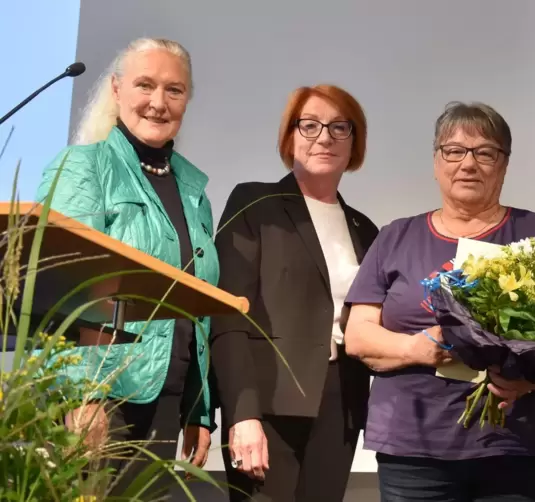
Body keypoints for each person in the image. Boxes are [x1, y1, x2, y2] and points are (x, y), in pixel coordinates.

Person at [343, 101, 535, 502]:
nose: (468, 163)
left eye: (485, 152)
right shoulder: (396, 237)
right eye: (454, 151)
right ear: (436, 162)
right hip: (415, 450)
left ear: (503, 165)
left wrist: (527, 378)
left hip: (520, 449)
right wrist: (416, 348)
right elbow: (358, 337)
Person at [35, 38, 216, 495]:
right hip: (102, 395)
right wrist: (83, 396)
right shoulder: (83, 167)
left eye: (174, 90)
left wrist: (198, 409)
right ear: (116, 90)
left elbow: (196, 308)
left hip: (166, 397)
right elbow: (64, 286)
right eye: (145, 85)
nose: (159, 102)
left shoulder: (194, 190)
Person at [210, 84, 379, 502]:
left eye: (340, 127)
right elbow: (229, 316)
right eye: (310, 125)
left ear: (355, 142)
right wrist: (242, 413)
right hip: (270, 407)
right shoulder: (256, 203)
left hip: (341, 406)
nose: (324, 137)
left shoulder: (365, 228)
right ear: (290, 136)